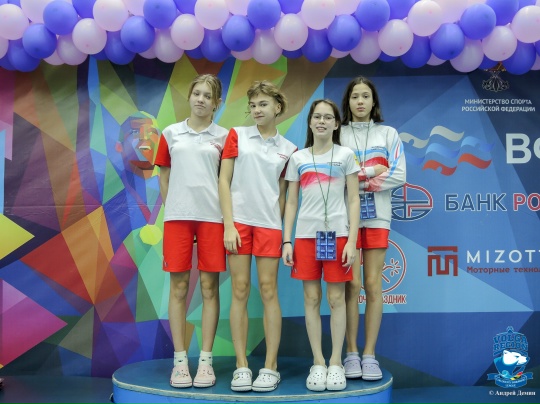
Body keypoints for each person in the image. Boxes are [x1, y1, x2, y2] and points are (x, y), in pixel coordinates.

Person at [218, 80, 297, 392]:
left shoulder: (289, 149)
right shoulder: (237, 135)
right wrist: (228, 225)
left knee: (268, 290)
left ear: (277, 107)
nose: (257, 110)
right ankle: (241, 366)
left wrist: (278, 229)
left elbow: (282, 195)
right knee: (239, 289)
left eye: (263, 104)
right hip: (238, 224)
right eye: (253, 105)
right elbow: (224, 181)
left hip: (269, 226)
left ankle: (270, 367)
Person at [154, 74, 228, 388]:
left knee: (210, 288)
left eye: (207, 96)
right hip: (178, 219)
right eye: (196, 93)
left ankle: (206, 362)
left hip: (212, 219)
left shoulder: (225, 137)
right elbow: (164, 177)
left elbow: (227, 180)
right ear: (189, 96)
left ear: (216, 103)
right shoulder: (170, 133)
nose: (200, 99)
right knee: (179, 288)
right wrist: (174, 207)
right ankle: (180, 362)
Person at [282, 99, 360, 392]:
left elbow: (354, 199)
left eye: (328, 117)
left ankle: (336, 362)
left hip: (336, 236)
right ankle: (318, 362)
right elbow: (291, 202)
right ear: (310, 122)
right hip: (305, 237)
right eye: (317, 116)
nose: (322, 121)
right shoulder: (298, 158)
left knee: (336, 299)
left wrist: (351, 240)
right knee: (311, 298)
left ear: (336, 123)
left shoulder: (346, 155)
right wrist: (287, 240)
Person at [339, 76, 406, 381]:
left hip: (378, 217)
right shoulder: (338, 133)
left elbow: (399, 174)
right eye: (355, 96)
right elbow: (331, 176)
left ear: (373, 101)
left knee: (373, 285)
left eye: (366, 96)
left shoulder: (388, 133)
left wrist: (360, 182)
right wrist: (368, 174)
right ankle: (351, 353)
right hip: (345, 219)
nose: (360, 101)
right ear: (348, 101)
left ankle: (369, 355)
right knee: (351, 285)